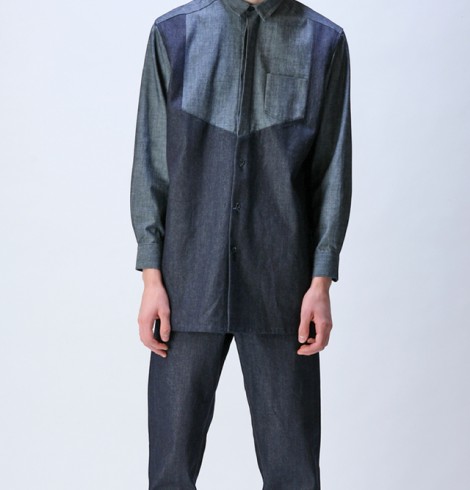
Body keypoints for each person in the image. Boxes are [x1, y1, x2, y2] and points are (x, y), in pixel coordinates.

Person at [130, 0, 352, 487]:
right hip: (187, 283)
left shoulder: (324, 41)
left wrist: (321, 281)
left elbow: (331, 170)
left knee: (293, 471)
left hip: (282, 287)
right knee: (170, 470)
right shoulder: (174, 34)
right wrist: (151, 278)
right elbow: (152, 164)